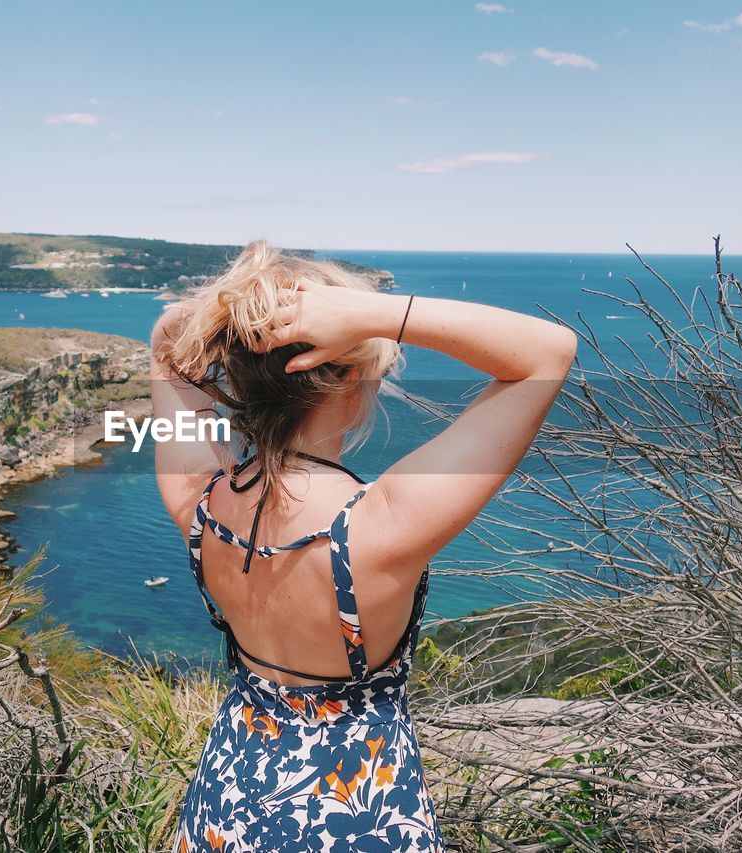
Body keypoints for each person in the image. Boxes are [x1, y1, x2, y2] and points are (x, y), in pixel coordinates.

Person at [149, 240, 576, 852]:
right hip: (354, 812)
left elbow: (167, 346)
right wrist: (375, 316)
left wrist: (232, 316)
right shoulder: (380, 526)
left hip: (228, 800)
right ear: (350, 371)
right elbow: (546, 355)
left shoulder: (197, 499)